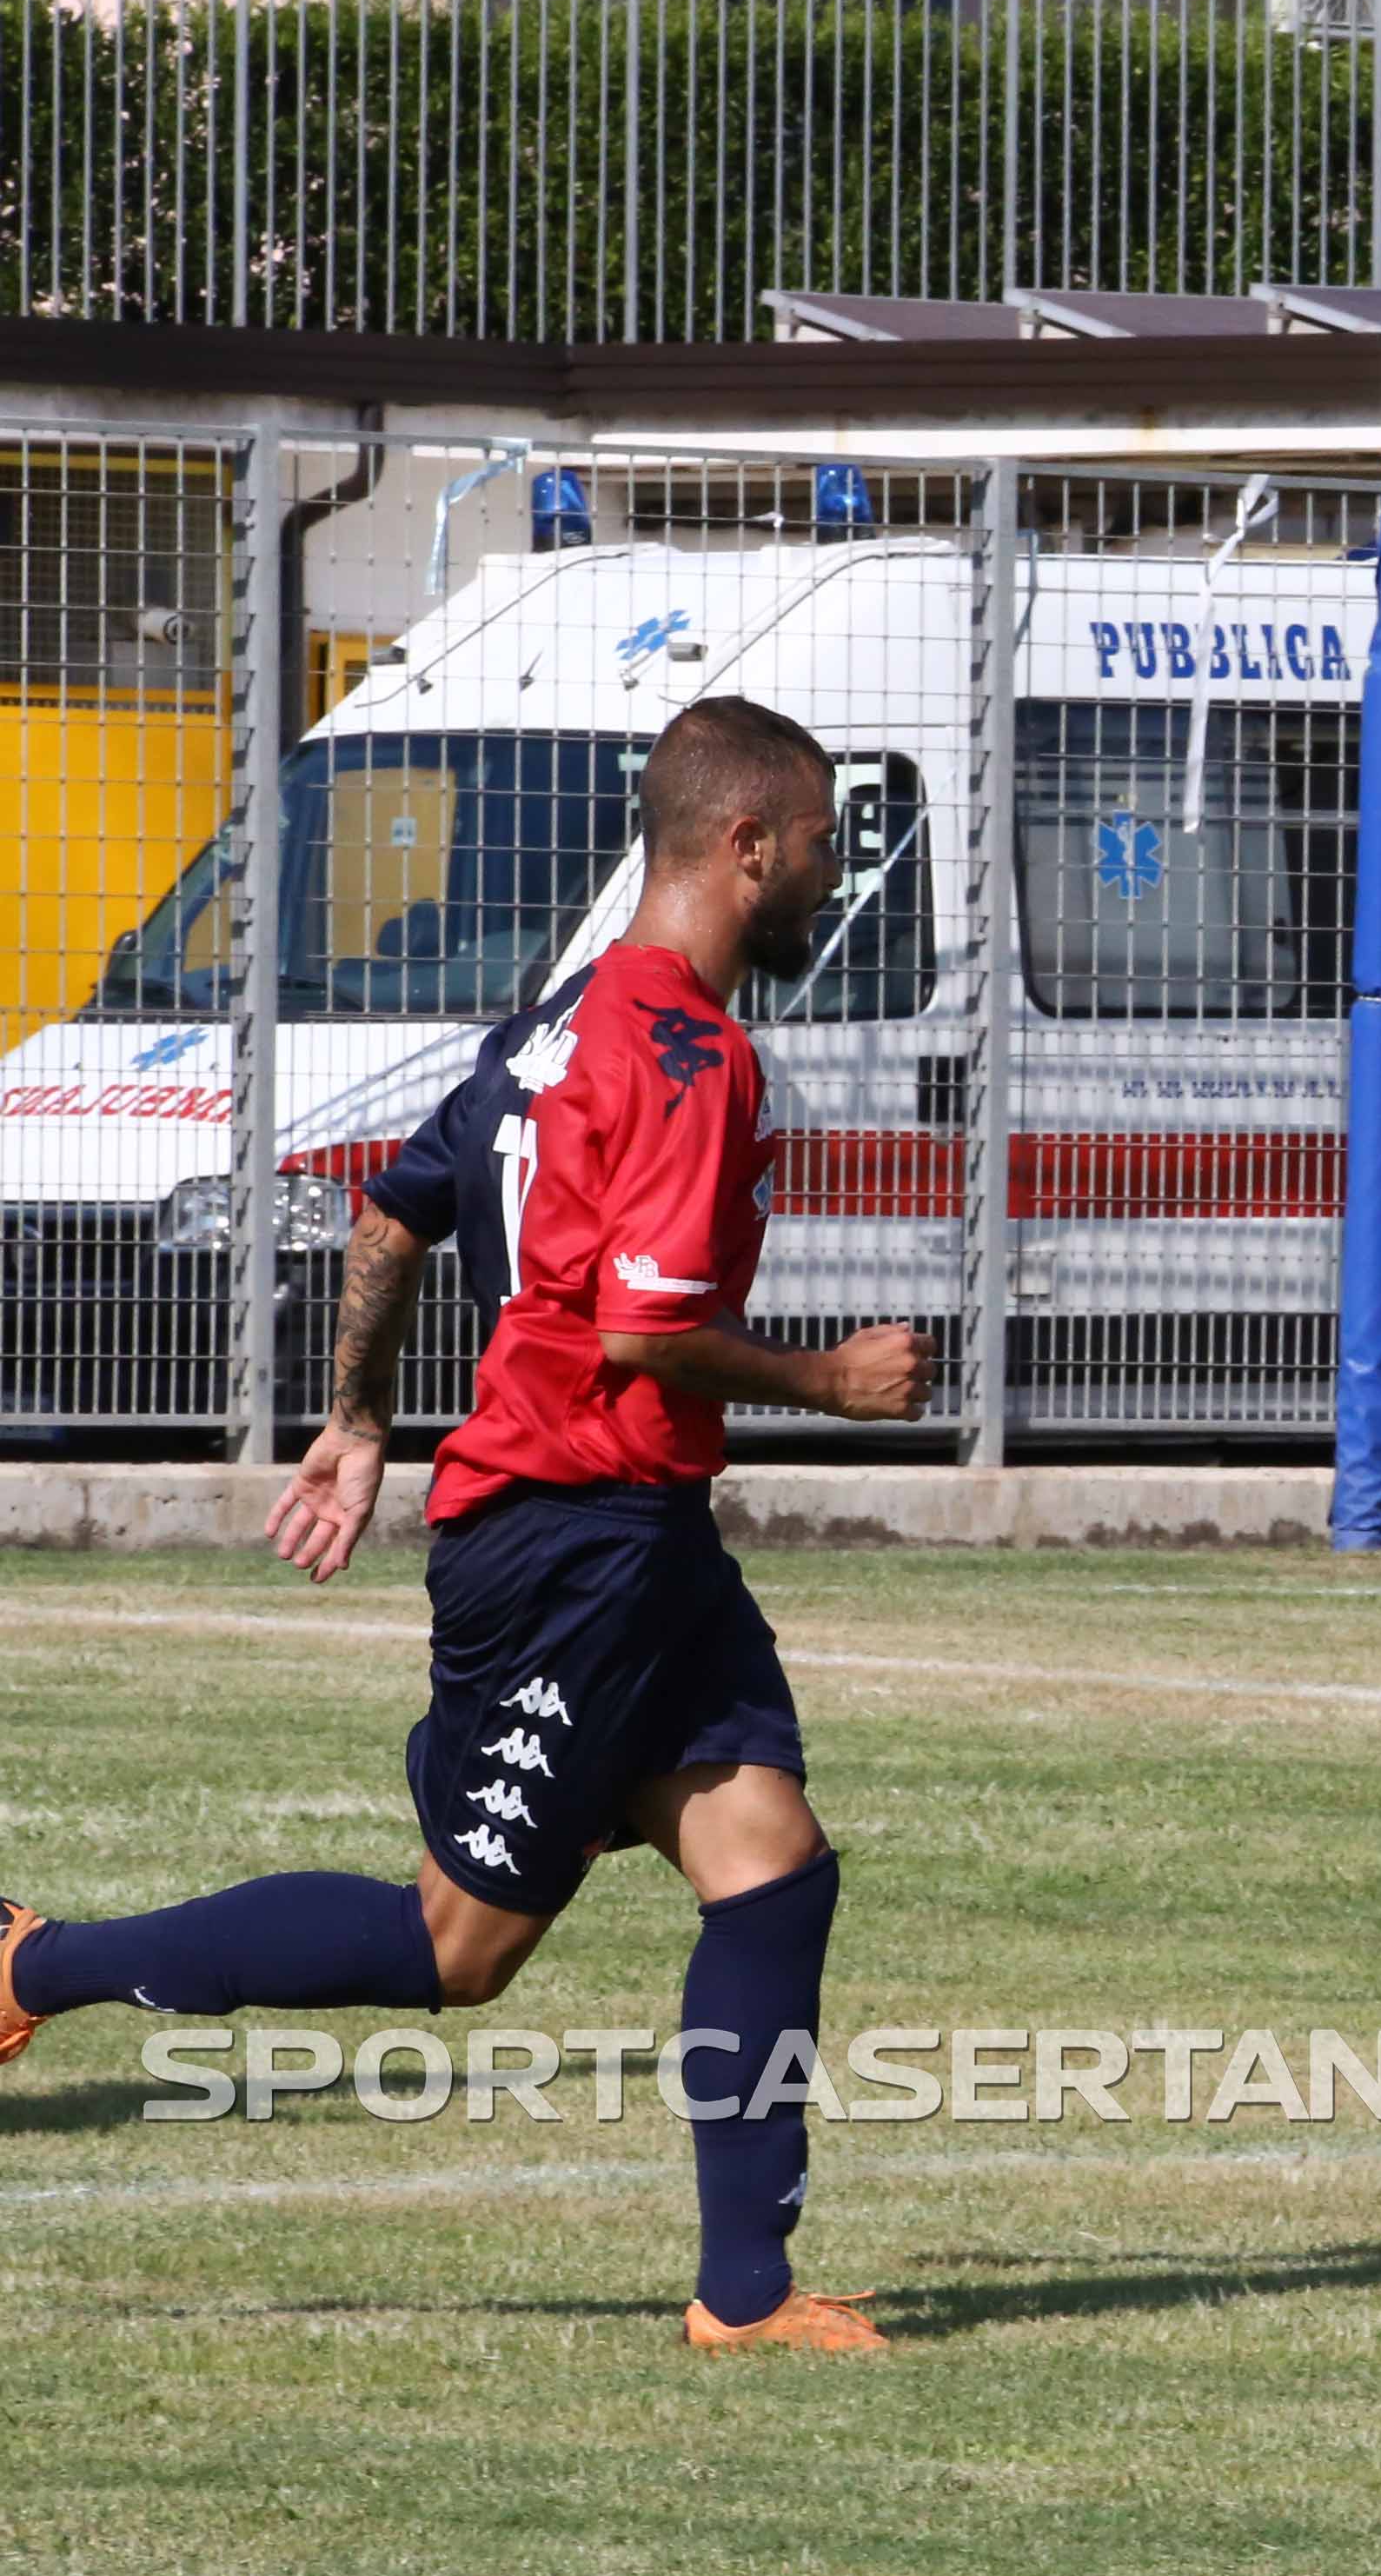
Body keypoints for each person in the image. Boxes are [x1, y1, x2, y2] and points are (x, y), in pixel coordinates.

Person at [0, 698, 933, 2353]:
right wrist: (830, 1377)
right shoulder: (685, 1055)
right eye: (813, 850)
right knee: (455, 1946)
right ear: (741, 846)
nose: (822, 879)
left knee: (770, 1865)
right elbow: (644, 1331)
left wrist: (358, 1419)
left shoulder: (556, 1024)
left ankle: (745, 2294)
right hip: (576, 1541)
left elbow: (393, 1209)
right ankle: (37, 1964)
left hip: (630, 1528)